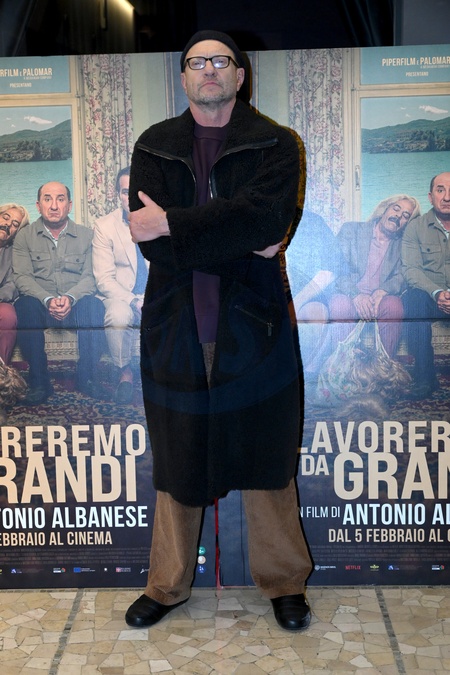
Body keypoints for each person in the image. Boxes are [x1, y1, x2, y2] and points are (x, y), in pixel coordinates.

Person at [125, 30, 312, 632]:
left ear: (239, 75)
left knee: (266, 455)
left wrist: (176, 224)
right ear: (183, 76)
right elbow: (150, 242)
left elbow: (266, 222)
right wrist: (237, 236)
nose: (209, 69)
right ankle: (166, 585)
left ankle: (284, 583)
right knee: (178, 457)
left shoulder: (276, 144)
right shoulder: (154, 145)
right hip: (177, 324)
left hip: (254, 326)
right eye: (197, 62)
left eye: (220, 61)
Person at [12, 181, 106, 405]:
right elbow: (22, 277)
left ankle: (86, 377)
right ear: (38, 205)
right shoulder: (24, 236)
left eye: (60, 199)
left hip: (75, 306)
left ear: (69, 205)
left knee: (95, 306)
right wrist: (47, 300)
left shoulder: (87, 236)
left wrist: (70, 298)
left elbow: (90, 277)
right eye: (47, 199)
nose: (54, 206)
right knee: (24, 306)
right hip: (40, 307)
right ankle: (40, 382)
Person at [327, 194, 420, 357]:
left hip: (381, 298)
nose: (398, 215)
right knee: (340, 306)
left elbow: (405, 273)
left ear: (407, 223)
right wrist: (356, 295)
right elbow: (336, 267)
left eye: (406, 215)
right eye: (396, 208)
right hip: (349, 293)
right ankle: (343, 362)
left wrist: (382, 291)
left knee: (394, 306)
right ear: (385, 209)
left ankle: (385, 364)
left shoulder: (404, 244)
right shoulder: (351, 230)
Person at [93, 166, 149, 404]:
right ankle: (124, 372)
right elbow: (104, 279)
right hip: (121, 295)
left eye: (136, 190)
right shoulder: (104, 226)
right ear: (118, 195)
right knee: (118, 314)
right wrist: (134, 301)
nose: (130, 197)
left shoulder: (162, 221)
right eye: (126, 192)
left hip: (154, 292)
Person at [402, 172, 450, 399]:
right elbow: (411, 270)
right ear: (431, 197)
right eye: (441, 190)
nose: (447, 197)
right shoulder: (415, 227)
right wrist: (437, 293)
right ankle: (424, 378)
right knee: (413, 299)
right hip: (431, 298)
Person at [286, 209, 347, 381]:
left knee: (316, 313)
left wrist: (294, 305)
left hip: (304, 295)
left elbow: (329, 271)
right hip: (265, 295)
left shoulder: (314, 222)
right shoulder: (258, 216)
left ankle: (309, 375)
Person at [0, 203, 29, 422]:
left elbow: (12, 283)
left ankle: (1, 383)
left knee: (8, 316)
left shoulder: (14, 252)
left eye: (15, 224)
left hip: (0, 298)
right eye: (5, 217)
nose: (8, 224)